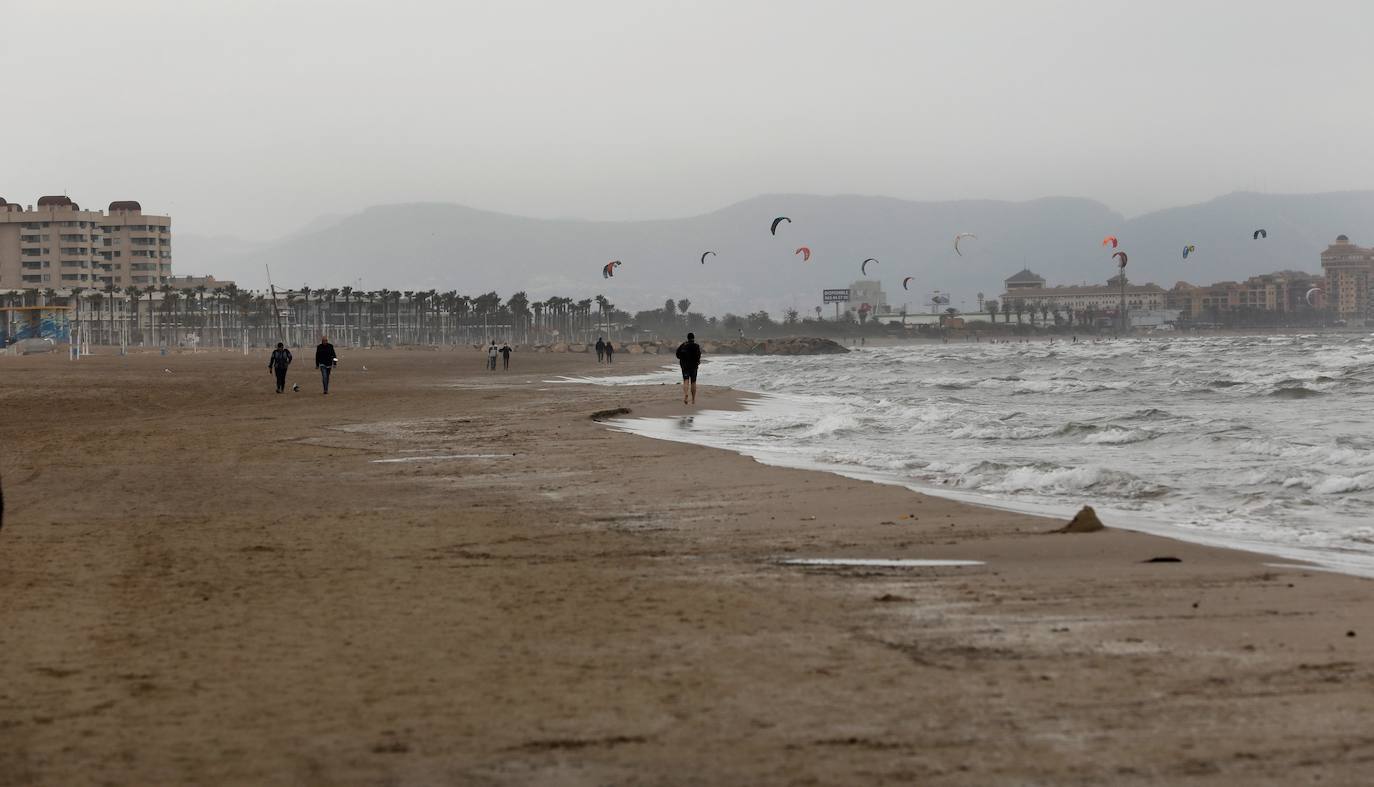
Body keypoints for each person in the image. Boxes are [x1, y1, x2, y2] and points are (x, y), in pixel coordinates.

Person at [675, 332, 703, 405]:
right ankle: (693, 400)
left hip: (685, 366)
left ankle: (686, 394)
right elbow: (699, 356)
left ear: (687, 338)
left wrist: (682, 359)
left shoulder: (683, 345)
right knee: (693, 382)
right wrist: (697, 361)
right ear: (693, 338)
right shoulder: (696, 346)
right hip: (694, 367)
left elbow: (677, 354)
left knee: (686, 380)